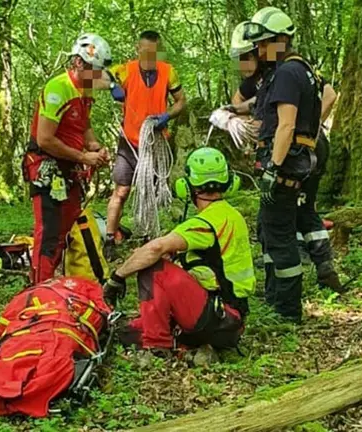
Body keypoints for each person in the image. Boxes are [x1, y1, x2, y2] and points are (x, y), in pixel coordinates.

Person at [102, 148, 254, 350]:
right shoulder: (230, 215)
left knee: (152, 267)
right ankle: (167, 336)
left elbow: (155, 248)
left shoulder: (206, 222)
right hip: (229, 319)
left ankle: (157, 346)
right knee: (127, 331)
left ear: (187, 186)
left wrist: (117, 277)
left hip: (217, 317)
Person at [244, 7, 340, 322]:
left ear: (281, 40)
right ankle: (277, 297)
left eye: (263, 44)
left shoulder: (286, 72)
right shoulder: (302, 69)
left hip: (285, 166)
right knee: (275, 227)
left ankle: (286, 310)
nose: (258, 51)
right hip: (297, 162)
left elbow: (285, 125)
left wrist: (273, 167)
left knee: (278, 232)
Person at [22, 33, 112, 283]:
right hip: (46, 168)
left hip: (69, 170)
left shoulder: (84, 93)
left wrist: (95, 147)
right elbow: (45, 139)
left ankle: (63, 283)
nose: (97, 76)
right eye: (95, 70)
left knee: (69, 227)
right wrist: (83, 155)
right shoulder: (59, 88)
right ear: (80, 63)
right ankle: (40, 287)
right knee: (49, 232)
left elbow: (83, 127)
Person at [104, 30, 187, 257]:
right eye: (146, 52)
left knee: (151, 191)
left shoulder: (168, 72)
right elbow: (98, 75)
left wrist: (168, 116)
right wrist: (112, 86)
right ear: (138, 49)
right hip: (129, 142)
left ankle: (150, 237)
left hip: (155, 143)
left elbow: (181, 101)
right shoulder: (126, 70)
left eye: (155, 53)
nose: (151, 58)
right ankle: (109, 239)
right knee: (121, 191)